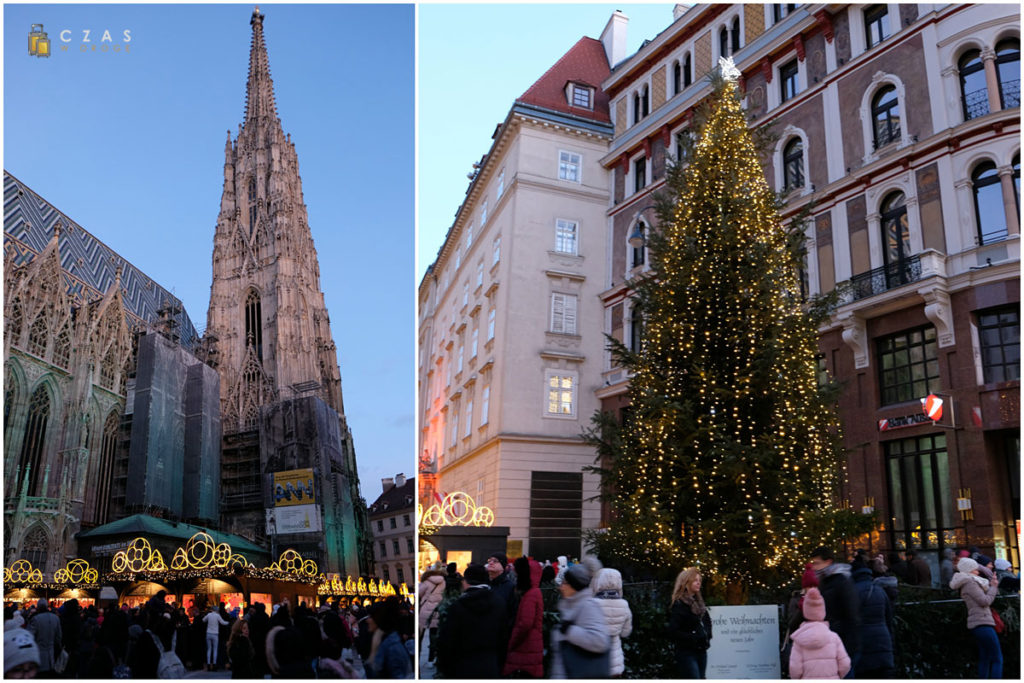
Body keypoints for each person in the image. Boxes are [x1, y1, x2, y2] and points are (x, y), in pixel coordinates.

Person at [436, 562, 507, 678]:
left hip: (462, 666)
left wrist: (447, 670)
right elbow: (504, 637)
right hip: (490, 664)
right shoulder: (499, 602)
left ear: (465, 582)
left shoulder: (457, 605)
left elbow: (446, 640)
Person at [551, 556, 609, 679]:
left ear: (574, 585)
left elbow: (599, 641)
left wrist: (569, 630)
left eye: (565, 583)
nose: (560, 586)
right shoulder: (569, 605)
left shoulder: (588, 606)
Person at [809, 547, 860, 675]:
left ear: (829, 562)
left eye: (817, 563)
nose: (814, 567)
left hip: (842, 640)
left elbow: (851, 614)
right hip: (829, 640)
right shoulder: (823, 581)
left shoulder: (841, 581)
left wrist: (849, 646)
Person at [950, 557, 1002, 678]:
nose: (978, 571)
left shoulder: (969, 582)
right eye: (975, 569)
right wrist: (994, 587)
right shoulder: (970, 583)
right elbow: (985, 601)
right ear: (969, 570)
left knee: (985, 658)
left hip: (978, 624)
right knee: (997, 659)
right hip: (983, 623)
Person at [789, 587, 851, 679]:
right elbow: (845, 664)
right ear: (823, 611)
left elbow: (794, 669)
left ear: (806, 611)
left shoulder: (799, 640)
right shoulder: (834, 637)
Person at [850, 558, 894, 678]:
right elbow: (888, 617)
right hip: (883, 642)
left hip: (864, 644)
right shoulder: (879, 590)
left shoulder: (853, 592)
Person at [668, 567, 712, 679]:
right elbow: (673, 631)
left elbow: (707, 622)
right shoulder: (679, 604)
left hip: (701, 650)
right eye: (695, 580)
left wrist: (707, 635)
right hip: (686, 652)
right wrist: (693, 637)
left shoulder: (699, 603)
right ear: (687, 582)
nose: (698, 583)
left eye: (700, 580)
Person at [503, 557, 544, 678]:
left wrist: (513, 641)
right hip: (530, 646)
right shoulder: (534, 592)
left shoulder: (530, 594)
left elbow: (525, 623)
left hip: (525, 647)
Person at [591, 567, 633, 678]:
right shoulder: (624, 605)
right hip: (615, 661)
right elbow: (625, 633)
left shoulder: (591, 604)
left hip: (594, 658)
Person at [365, 598, 412, 679]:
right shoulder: (384, 641)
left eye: (371, 616)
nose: (367, 620)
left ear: (378, 618)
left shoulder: (391, 646)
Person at [418, 563, 446, 663]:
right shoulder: (443, 581)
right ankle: (431, 659)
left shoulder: (427, 580)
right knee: (433, 635)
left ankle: (418, 658)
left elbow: (419, 593)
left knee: (420, 635)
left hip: (425, 609)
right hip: (437, 610)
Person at [26, 598, 61, 678]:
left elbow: (29, 636)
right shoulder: (55, 618)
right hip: (51, 656)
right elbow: (58, 637)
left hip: (39, 655)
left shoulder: (36, 619)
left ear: (38, 607)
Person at [203, 604, 230, 671]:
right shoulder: (217, 616)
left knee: (209, 649)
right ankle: (214, 665)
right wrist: (229, 622)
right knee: (215, 650)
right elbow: (223, 622)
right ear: (216, 610)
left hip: (208, 633)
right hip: (215, 634)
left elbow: (203, 620)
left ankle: (209, 665)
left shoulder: (209, 615)